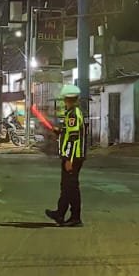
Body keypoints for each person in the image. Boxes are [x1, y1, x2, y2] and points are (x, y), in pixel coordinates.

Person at [44, 84, 86, 228]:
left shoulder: (73, 114)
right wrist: (59, 132)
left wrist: (69, 159)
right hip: (71, 156)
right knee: (67, 187)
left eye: (65, 99)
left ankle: (74, 217)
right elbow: (68, 133)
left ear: (68, 99)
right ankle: (61, 214)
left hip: (73, 157)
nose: (64, 101)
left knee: (71, 187)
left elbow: (73, 138)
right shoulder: (71, 113)